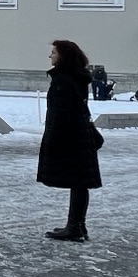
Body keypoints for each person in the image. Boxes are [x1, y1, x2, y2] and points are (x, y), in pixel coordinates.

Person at [39, 39, 103, 240]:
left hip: (70, 136)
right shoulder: (78, 77)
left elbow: (61, 112)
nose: (50, 56)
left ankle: (75, 227)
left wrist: (53, 140)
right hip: (80, 134)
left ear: (63, 56)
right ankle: (77, 225)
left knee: (78, 182)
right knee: (80, 183)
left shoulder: (63, 80)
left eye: (54, 52)